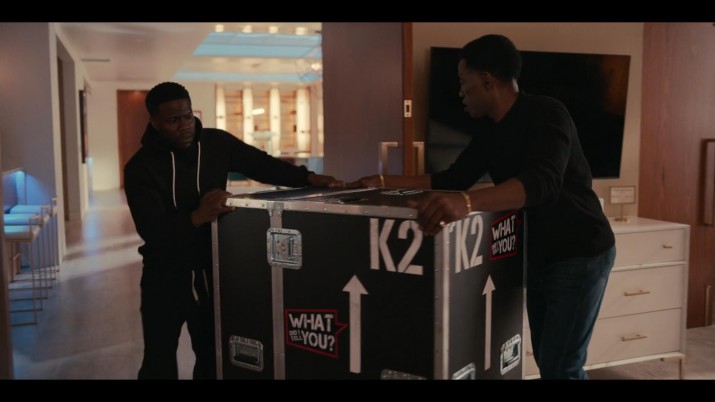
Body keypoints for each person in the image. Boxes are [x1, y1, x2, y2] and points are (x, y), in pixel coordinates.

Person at [349, 34, 615, 379]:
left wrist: (468, 202)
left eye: (464, 81)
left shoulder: (548, 113)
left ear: (487, 80)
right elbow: (452, 178)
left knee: (562, 366)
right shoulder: (490, 131)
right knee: (550, 360)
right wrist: (382, 181)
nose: (461, 92)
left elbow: (541, 184)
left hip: (580, 252)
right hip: (540, 255)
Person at [124, 82, 341, 380]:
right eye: (173, 120)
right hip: (163, 277)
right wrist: (199, 216)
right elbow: (153, 232)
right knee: (158, 363)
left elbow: (262, 165)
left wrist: (310, 178)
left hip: (209, 270)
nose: (185, 126)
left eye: (188, 116)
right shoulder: (139, 168)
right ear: (155, 122)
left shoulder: (216, 143)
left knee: (212, 358)